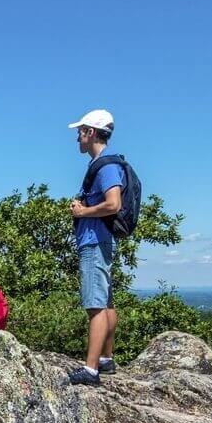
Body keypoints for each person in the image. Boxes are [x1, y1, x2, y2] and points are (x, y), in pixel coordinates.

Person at [68, 109, 123, 386]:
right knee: (106, 301)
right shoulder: (104, 165)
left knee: (95, 306)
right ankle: (105, 358)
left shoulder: (106, 166)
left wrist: (82, 212)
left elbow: (114, 204)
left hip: (94, 241)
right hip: (101, 239)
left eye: (80, 131)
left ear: (90, 132)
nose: (77, 137)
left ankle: (91, 370)